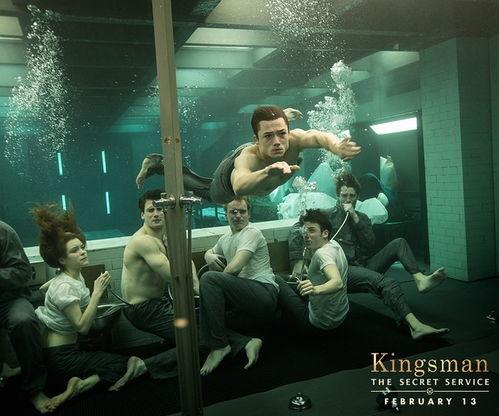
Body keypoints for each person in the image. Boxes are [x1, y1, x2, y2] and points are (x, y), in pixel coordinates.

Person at [288, 172, 449, 340]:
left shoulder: (362, 217)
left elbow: (370, 243)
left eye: (352, 196)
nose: (348, 199)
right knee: (386, 283)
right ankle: (415, 326)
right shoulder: (327, 216)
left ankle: (420, 279)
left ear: (357, 197)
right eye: (344, 195)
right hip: (343, 269)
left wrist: (355, 217)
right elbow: (297, 228)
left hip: (363, 265)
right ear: (338, 196)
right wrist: (298, 263)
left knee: (399, 242)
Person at [31, 205, 148, 402]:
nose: (83, 252)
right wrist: (97, 293)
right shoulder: (65, 287)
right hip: (62, 357)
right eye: (75, 251)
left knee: (118, 359)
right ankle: (80, 385)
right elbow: (82, 327)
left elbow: (45, 289)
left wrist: (53, 284)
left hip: (64, 349)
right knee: (121, 364)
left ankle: (81, 380)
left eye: (82, 247)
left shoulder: (70, 276)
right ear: (62, 259)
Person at [135, 106, 360, 203]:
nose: (278, 142)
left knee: (279, 135)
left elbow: (319, 136)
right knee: (207, 192)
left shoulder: (294, 140)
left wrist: (336, 146)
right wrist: (266, 172)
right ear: (256, 139)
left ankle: (277, 118)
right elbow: (240, 185)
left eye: (282, 133)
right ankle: (157, 164)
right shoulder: (248, 158)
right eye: (268, 136)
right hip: (230, 174)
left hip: (265, 155)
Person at [121, 189, 199, 379]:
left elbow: (184, 262)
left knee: (197, 328)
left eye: (159, 209)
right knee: (197, 338)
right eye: (150, 210)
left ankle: (174, 342)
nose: (155, 214)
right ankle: (144, 365)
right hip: (144, 309)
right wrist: (197, 286)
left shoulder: (161, 237)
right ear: (142, 215)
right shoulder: (144, 241)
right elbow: (176, 275)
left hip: (157, 303)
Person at [200, 197, 279, 375]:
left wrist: (214, 287)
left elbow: (235, 267)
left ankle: (220, 346)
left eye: (242, 211)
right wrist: (208, 256)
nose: (238, 215)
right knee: (204, 320)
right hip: (245, 297)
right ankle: (248, 342)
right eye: (233, 212)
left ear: (249, 213)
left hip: (263, 293)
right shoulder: (226, 238)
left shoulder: (251, 232)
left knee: (209, 279)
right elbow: (212, 251)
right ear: (226, 214)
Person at [0, 220, 70, 413]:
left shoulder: (3, 231)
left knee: (24, 321)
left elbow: (22, 272)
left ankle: (35, 389)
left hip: (8, 299)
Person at [276, 210, 349, 333]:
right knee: (290, 281)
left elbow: (337, 282)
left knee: (276, 279)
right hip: (340, 316)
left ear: (325, 233)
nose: (306, 235)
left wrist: (315, 289)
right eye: (305, 230)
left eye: (312, 230)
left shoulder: (322, 254)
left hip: (319, 323)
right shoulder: (334, 244)